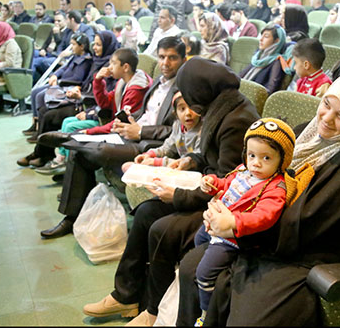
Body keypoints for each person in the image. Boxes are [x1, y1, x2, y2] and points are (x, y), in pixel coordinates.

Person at [177, 70, 340, 326]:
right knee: (192, 266)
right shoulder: (305, 133)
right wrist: (224, 207)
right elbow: (255, 176)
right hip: (271, 229)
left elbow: (309, 223)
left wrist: (236, 225)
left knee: (248, 316)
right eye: (326, 104)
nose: (327, 119)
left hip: (311, 254)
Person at [81, 56, 260, 326]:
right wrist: (191, 160)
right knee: (145, 213)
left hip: (227, 205)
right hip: (207, 185)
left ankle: (154, 311)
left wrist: (178, 195)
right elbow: (211, 158)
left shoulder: (235, 119)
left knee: (162, 230)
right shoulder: (221, 106)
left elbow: (230, 181)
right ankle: (127, 294)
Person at [39, 36, 186, 239]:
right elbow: (144, 113)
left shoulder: (184, 89)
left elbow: (177, 131)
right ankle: (72, 218)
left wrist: (141, 132)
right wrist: (130, 124)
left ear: (183, 60)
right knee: (80, 154)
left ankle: (70, 140)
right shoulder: (158, 83)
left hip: (149, 144)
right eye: (161, 57)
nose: (165, 63)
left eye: (172, 58)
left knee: (100, 149)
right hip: (133, 133)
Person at [193, 117, 297, 327]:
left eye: (266, 158)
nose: (256, 163)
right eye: (251, 155)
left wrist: (233, 222)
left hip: (233, 237)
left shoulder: (275, 188)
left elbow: (264, 217)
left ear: (282, 160)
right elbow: (227, 185)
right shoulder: (244, 170)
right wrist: (213, 184)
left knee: (203, 273)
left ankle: (206, 311)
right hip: (216, 224)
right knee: (198, 239)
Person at [36, 47, 153, 176]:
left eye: (113, 63)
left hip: (119, 129)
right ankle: (64, 162)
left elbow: (120, 121)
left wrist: (91, 131)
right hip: (111, 122)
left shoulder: (136, 89)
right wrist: (98, 80)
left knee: (74, 129)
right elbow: (105, 102)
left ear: (125, 67)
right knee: (68, 122)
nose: (109, 67)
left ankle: (66, 166)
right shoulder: (123, 82)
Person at [121, 91, 202, 173]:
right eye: (182, 109)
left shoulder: (201, 132)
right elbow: (168, 147)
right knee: (127, 167)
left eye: (192, 108)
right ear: (176, 114)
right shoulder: (177, 125)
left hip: (189, 171)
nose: (188, 113)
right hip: (175, 166)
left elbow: (193, 162)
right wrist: (150, 154)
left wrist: (157, 162)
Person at [239, 23, 289, 95]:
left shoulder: (277, 61)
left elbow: (270, 89)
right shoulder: (258, 56)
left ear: (277, 41)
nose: (261, 39)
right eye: (261, 35)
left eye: (266, 36)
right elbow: (240, 76)